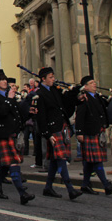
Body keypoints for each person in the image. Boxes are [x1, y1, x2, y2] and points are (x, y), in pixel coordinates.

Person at [0, 69, 36, 205]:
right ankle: (22, 193)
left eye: (5, 79)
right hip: (3, 134)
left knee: (4, 166)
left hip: (13, 132)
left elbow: (17, 113)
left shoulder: (10, 95)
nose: (5, 81)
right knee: (13, 162)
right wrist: (9, 100)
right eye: (2, 79)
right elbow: (0, 113)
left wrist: (29, 111)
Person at [35, 67, 82, 200]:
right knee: (61, 159)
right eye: (50, 77)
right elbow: (41, 117)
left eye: (53, 76)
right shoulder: (40, 94)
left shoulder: (55, 91)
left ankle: (48, 187)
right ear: (43, 79)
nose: (53, 79)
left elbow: (67, 104)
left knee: (56, 161)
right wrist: (47, 134)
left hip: (62, 127)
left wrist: (74, 91)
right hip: (53, 130)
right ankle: (70, 189)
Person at [76, 75, 112, 195]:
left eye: (94, 82)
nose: (94, 84)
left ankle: (85, 185)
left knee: (90, 162)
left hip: (97, 132)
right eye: (91, 83)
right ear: (86, 87)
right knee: (96, 160)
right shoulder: (83, 99)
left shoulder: (98, 97)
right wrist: (79, 132)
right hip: (89, 132)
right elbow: (79, 116)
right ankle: (106, 185)